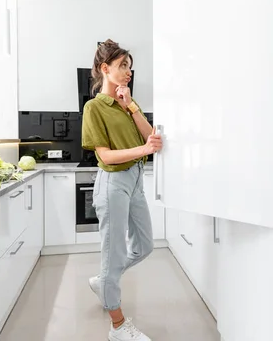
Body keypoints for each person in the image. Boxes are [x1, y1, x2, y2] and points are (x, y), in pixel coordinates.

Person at [82, 39, 163, 341]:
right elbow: (104, 156)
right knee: (113, 254)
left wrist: (131, 106)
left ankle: (104, 280)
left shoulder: (127, 103)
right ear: (105, 69)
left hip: (135, 181)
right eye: (122, 65)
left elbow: (151, 136)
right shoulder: (95, 107)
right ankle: (117, 326)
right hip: (113, 183)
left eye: (129, 66)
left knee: (145, 246)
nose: (128, 71)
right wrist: (143, 148)